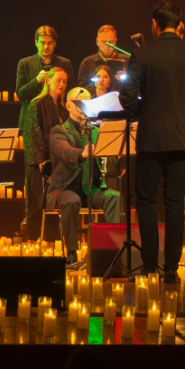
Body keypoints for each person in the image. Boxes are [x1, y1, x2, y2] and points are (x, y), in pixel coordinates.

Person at [117, 1, 185, 282]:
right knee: (174, 203)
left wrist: (147, 111)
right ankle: (171, 268)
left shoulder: (142, 55)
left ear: (154, 25)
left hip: (151, 138)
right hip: (182, 138)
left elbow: (126, 98)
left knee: (146, 201)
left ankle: (148, 266)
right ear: (179, 25)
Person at [47, 87, 123, 267]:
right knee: (72, 200)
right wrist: (82, 153)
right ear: (68, 106)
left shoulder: (96, 131)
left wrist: (114, 153)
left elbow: (109, 165)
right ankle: (72, 253)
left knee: (114, 196)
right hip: (64, 188)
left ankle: (114, 251)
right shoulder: (59, 131)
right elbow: (64, 151)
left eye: (88, 102)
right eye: (79, 102)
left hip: (90, 189)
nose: (84, 105)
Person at [16, 26, 74, 239]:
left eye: (50, 42)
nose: (46, 46)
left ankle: (53, 237)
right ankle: (34, 238)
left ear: (55, 43)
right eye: (42, 42)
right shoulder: (26, 64)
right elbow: (20, 93)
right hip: (35, 129)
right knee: (36, 190)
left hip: (58, 141)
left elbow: (71, 91)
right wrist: (37, 81)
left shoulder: (64, 63)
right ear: (36, 42)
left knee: (56, 192)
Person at [21, 68, 69, 227]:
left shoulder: (62, 108)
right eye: (58, 80)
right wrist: (40, 159)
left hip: (57, 162)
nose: (62, 84)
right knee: (37, 201)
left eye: (64, 81)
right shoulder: (37, 103)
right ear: (48, 81)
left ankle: (51, 238)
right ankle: (34, 238)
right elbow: (32, 133)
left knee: (53, 202)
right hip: (38, 162)